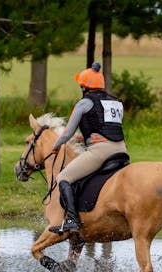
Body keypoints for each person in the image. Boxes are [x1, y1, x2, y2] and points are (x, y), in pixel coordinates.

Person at [50, 62, 127, 234]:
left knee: (63, 177)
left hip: (100, 152)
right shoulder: (116, 102)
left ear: (84, 87)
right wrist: (83, 137)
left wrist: (56, 146)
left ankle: (72, 220)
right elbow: (105, 127)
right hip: (122, 150)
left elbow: (67, 133)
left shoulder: (84, 103)